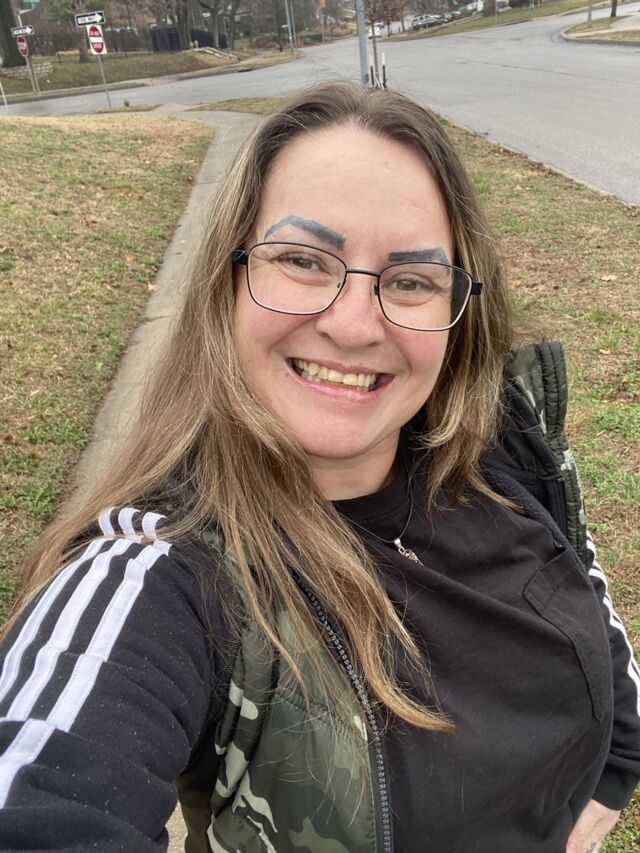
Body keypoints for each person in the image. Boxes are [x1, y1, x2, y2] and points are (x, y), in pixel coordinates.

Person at [0, 81, 638, 853]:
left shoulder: (499, 438)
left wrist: (616, 765)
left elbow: (584, 582)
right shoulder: (161, 572)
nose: (354, 323)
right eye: (303, 260)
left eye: (411, 279)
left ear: (459, 308)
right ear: (229, 278)